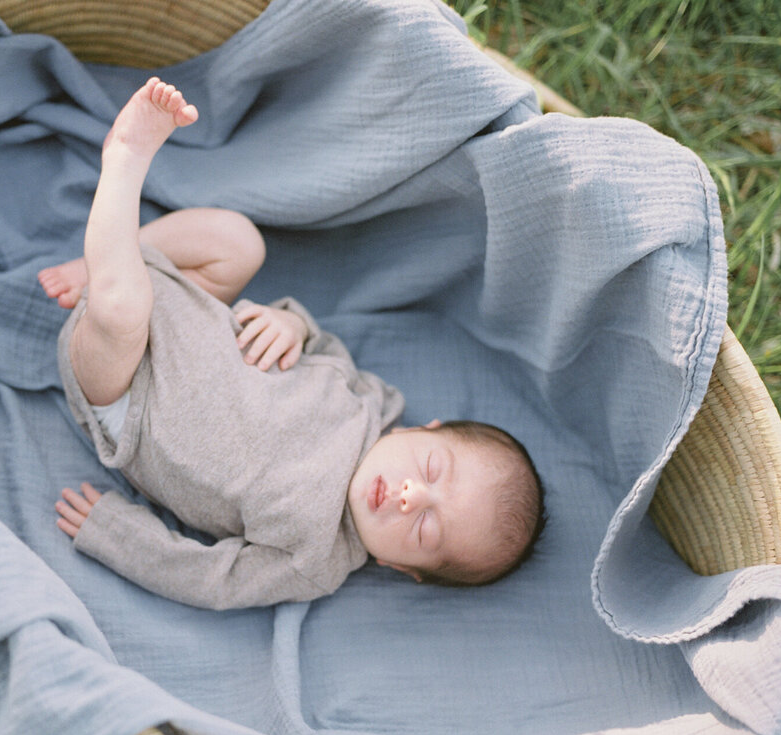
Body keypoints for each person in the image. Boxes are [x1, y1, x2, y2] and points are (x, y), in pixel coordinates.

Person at [41, 77, 545, 609]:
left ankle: (123, 162)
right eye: (430, 469)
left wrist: (116, 535)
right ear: (426, 428)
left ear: (403, 569)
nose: (409, 496)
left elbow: (211, 579)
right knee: (238, 243)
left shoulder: (314, 559)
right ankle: (101, 263)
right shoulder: (371, 402)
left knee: (120, 312)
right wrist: (291, 326)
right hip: (193, 316)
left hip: (128, 395)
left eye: (423, 529)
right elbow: (316, 345)